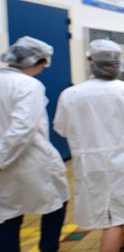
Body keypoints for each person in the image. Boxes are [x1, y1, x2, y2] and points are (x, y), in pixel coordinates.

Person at [54, 40, 124, 252]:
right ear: (118, 63)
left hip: (90, 163)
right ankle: (117, 240)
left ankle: (120, 240)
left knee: (108, 212)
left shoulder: (71, 94)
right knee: (115, 215)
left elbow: (61, 128)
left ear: (90, 62)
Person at [0, 37, 69, 252]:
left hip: (7, 165)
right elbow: (22, 128)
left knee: (7, 215)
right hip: (31, 160)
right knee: (56, 203)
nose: (43, 69)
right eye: (43, 64)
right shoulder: (29, 85)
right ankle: (48, 247)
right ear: (36, 60)